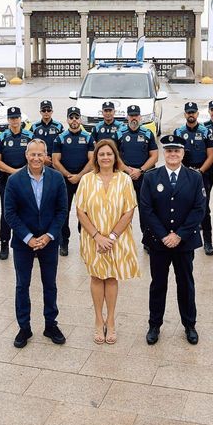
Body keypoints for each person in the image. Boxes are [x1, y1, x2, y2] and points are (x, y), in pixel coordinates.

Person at [139, 134, 206, 346]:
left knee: (185, 284)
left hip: (184, 242)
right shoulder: (151, 177)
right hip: (159, 243)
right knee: (158, 284)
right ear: (163, 154)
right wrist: (163, 235)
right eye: (169, 151)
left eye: (177, 150)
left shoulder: (194, 178)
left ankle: (189, 325)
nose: (173, 154)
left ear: (183, 153)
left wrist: (179, 235)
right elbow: (146, 209)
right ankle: (154, 324)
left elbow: (199, 209)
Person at [3, 139, 68, 348]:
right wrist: (28, 238)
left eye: (41, 154)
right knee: (23, 285)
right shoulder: (14, 180)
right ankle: (24, 327)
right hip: (24, 243)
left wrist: (49, 235)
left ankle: (51, 324)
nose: (37, 158)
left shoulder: (57, 179)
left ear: (46, 156)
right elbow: (10, 214)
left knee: (50, 284)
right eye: (33, 154)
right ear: (26, 155)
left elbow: (62, 211)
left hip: (49, 240)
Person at [74, 140, 140, 345]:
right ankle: (98, 319)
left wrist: (110, 237)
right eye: (101, 154)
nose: (105, 157)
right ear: (96, 158)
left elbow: (129, 210)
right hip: (92, 238)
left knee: (111, 277)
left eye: (109, 154)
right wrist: (97, 236)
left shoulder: (124, 180)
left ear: (115, 157)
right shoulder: (86, 180)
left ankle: (110, 321)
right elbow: (80, 211)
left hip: (116, 239)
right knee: (96, 277)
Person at [173, 102, 213, 255]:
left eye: (193, 112)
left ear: (197, 114)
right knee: (181, 207)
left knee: (204, 209)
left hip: (202, 174)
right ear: (185, 114)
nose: (191, 115)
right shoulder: (178, 132)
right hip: (184, 174)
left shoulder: (206, 132)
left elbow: (211, 155)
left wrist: (200, 171)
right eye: (188, 112)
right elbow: (175, 154)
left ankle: (208, 242)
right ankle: (181, 238)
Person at [52, 106, 94, 257]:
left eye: (77, 117)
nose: (74, 120)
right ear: (67, 119)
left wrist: (80, 175)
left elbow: (92, 159)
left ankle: (84, 240)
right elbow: (56, 161)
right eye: (71, 117)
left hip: (83, 180)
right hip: (65, 180)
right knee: (64, 212)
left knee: (84, 212)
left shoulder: (88, 137)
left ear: (80, 119)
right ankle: (64, 242)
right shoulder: (60, 138)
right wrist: (69, 175)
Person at [0, 107, 34, 260]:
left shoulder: (29, 136)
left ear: (20, 119)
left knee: (28, 210)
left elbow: (35, 157)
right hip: (7, 181)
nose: (15, 120)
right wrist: (14, 172)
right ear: (8, 120)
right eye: (12, 118)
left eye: (17, 117)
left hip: (26, 180)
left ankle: (29, 242)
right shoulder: (2, 137)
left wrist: (22, 172)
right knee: (7, 212)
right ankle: (4, 244)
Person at [116, 105, 158, 250]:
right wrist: (128, 170)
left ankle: (147, 240)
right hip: (124, 177)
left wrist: (140, 170)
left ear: (140, 117)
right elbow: (115, 156)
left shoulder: (147, 133)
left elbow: (154, 156)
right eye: (131, 115)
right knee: (122, 210)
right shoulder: (119, 133)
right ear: (127, 117)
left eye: (136, 115)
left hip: (143, 177)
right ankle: (120, 238)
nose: (134, 118)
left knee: (145, 209)